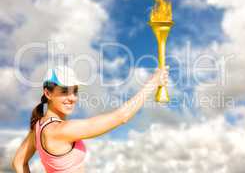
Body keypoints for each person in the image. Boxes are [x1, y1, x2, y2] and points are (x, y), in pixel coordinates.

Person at [11, 65, 169, 172]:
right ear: (48, 93)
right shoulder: (61, 130)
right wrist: (153, 83)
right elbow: (122, 116)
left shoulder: (38, 126)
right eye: (64, 91)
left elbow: (18, 162)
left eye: (75, 91)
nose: (72, 98)